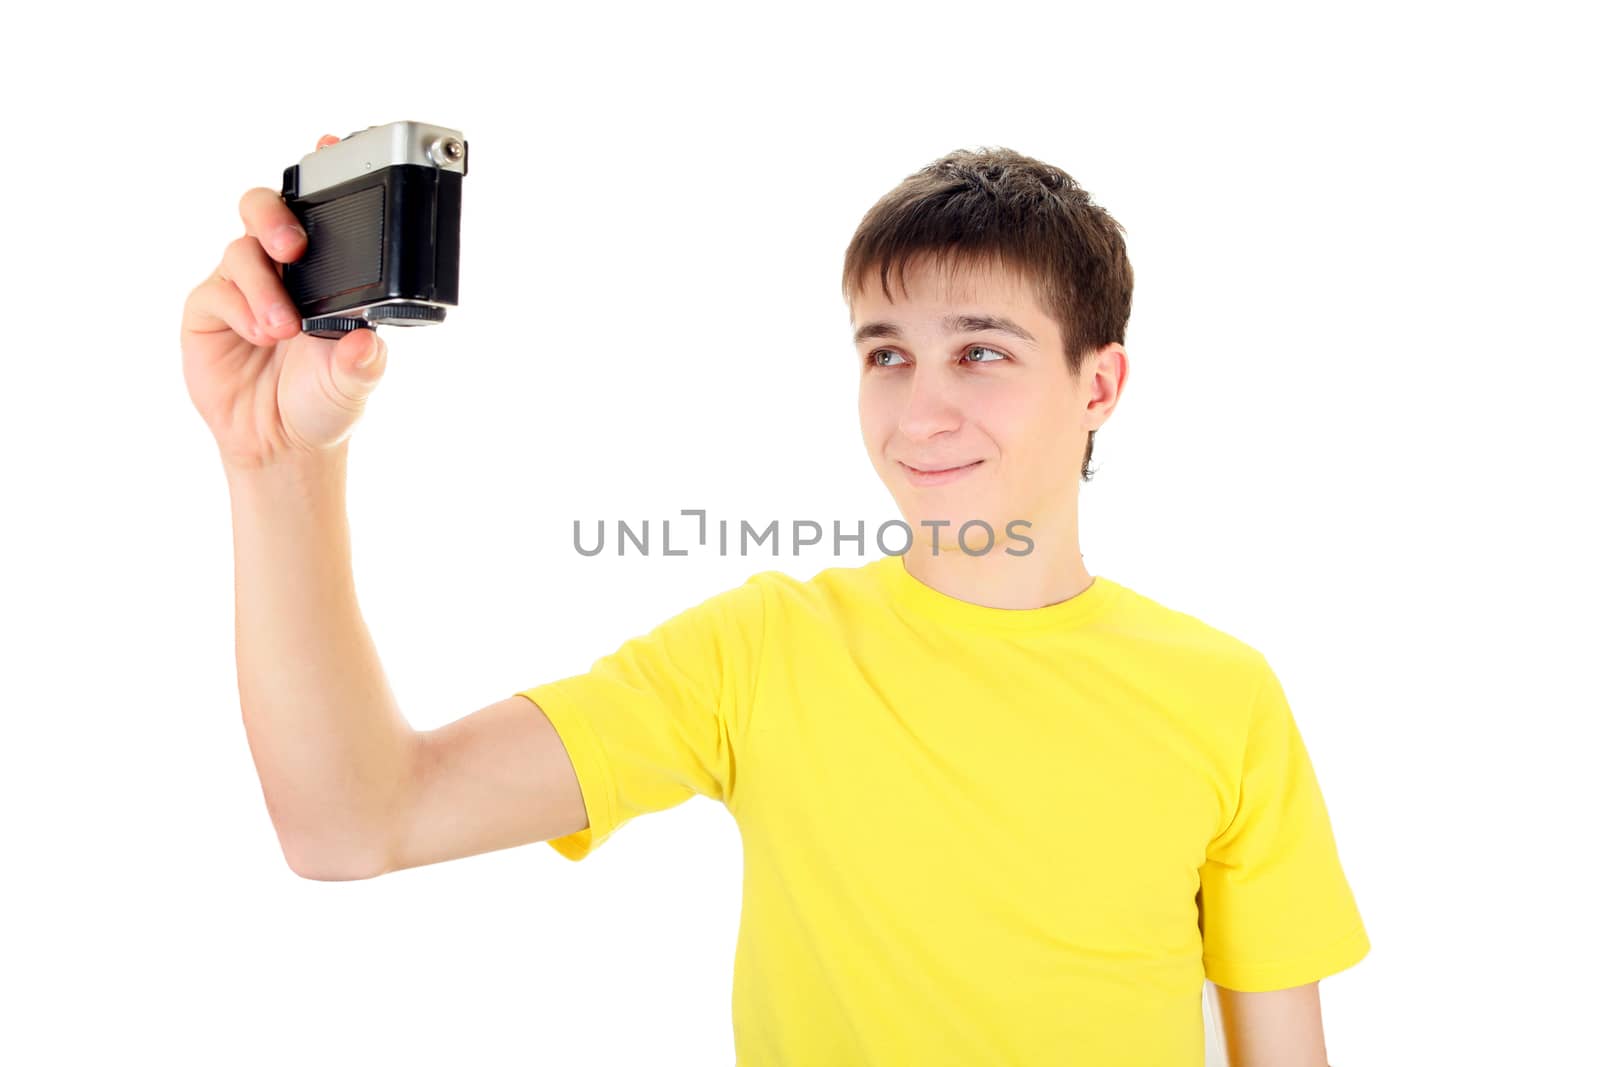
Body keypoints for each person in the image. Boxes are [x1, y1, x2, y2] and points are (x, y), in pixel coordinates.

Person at [183, 135, 1369, 1066]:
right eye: (885, 352)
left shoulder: (1223, 693)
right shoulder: (763, 651)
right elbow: (352, 821)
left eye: (984, 351)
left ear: (1099, 381)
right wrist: (277, 464)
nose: (920, 410)